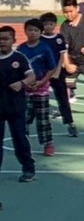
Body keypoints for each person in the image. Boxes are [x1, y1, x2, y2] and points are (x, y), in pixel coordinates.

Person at [0, 25, 37, 184]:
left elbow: (32, 76)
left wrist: (22, 83)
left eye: (6, 39)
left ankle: (28, 168)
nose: (2, 42)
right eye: (0, 39)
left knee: (20, 138)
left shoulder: (19, 58)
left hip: (15, 107)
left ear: (13, 40)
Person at [17, 19, 57, 157]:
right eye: (30, 30)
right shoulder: (21, 49)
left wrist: (42, 82)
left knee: (43, 119)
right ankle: (24, 144)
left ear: (41, 32)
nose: (32, 33)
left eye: (36, 30)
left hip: (41, 90)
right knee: (24, 119)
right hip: (25, 90)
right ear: (25, 31)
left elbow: (52, 68)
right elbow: (17, 69)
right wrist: (24, 82)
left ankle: (48, 144)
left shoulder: (45, 48)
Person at [40, 12, 75, 135]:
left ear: (55, 25)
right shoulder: (39, 39)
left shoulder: (59, 38)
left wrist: (59, 70)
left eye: (51, 24)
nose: (48, 27)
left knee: (63, 98)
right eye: (45, 24)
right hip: (42, 73)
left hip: (57, 73)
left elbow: (62, 55)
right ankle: (29, 124)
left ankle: (70, 123)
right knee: (37, 99)